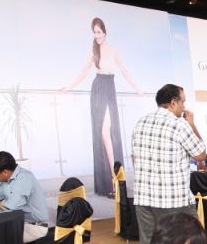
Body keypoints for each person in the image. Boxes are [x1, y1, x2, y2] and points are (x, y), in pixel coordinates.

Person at [60, 17, 144, 197]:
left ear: (105, 32)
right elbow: (84, 71)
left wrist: (137, 89)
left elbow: (124, 70)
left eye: (99, 32)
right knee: (104, 134)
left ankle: (114, 180)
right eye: (94, 32)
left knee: (109, 134)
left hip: (109, 88)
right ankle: (112, 180)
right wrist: (69, 86)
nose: (97, 35)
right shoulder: (93, 50)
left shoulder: (113, 50)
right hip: (98, 89)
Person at [129, 84, 207, 244]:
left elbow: (134, 159)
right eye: (183, 102)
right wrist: (191, 124)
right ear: (173, 102)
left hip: (144, 198)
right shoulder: (180, 125)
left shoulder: (141, 122)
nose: (184, 106)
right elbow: (201, 154)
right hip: (173, 201)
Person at [0, 151, 52, 244]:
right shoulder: (6, 180)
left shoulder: (24, 177)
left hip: (35, 227)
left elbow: (13, 205)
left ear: (5, 172)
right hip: (19, 223)